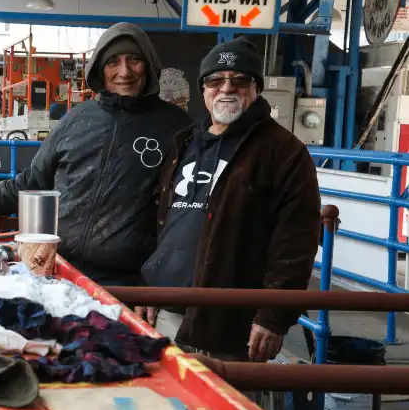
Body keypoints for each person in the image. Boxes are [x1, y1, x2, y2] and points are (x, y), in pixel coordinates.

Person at [0, 23, 193, 285]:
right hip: (59, 270)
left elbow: (185, 213)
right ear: (100, 68)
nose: (124, 71)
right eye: (113, 62)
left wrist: (155, 281)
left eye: (134, 59)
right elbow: (33, 180)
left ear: (148, 64)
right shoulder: (76, 119)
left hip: (127, 283)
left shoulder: (176, 127)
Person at [137, 38, 321, 363]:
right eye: (215, 80)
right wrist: (149, 285)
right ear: (203, 90)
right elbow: (159, 222)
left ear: (256, 88)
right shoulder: (184, 143)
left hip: (230, 324)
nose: (226, 88)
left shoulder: (283, 152)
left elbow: (295, 242)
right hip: (163, 312)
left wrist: (273, 317)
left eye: (239, 80)